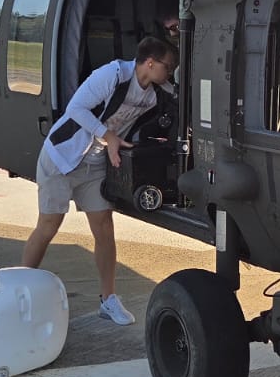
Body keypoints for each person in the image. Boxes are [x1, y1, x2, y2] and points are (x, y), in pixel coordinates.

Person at [20, 36, 179, 325]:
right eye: (167, 67)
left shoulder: (157, 92)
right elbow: (76, 109)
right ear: (150, 63)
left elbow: (167, 104)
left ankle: (108, 299)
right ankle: (19, 292)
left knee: (104, 227)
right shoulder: (112, 75)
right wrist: (109, 137)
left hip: (95, 164)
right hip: (62, 156)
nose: (169, 73)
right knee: (48, 225)